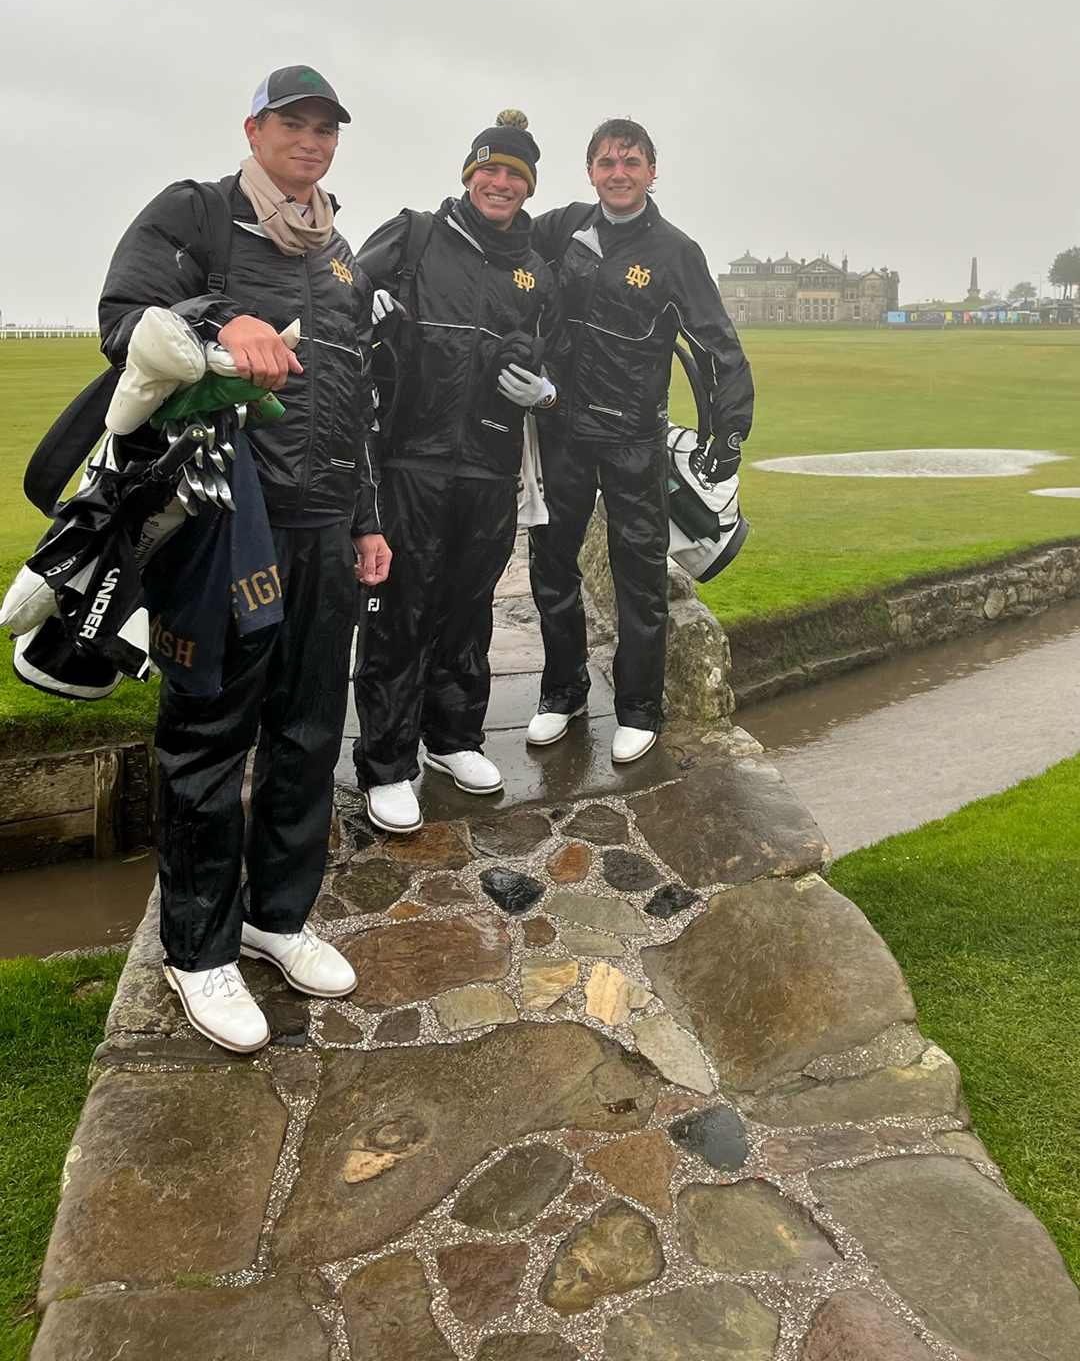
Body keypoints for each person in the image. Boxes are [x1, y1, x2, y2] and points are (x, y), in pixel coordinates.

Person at [98, 66, 391, 1052]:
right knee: (210, 739)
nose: (310, 141)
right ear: (254, 128)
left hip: (324, 531)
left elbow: (358, 404)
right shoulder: (200, 214)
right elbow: (125, 315)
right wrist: (225, 323)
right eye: (292, 124)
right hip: (224, 525)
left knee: (310, 730)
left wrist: (369, 519)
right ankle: (197, 948)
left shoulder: (341, 251)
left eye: (325, 129)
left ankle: (277, 915)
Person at [352, 110, 555, 833]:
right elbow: (335, 284)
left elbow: (547, 354)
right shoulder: (415, 235)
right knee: (400, 609)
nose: (501, 184)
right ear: (470, 174)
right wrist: (360, 301)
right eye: (490, 170)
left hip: (491, 468)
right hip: (411, 458)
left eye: (515, 176)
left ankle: (454, 738)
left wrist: (547, 388)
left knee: (469, 610)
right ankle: (386, 763)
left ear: (528, 189)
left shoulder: (535, 270)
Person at [527, 117, 753, 763]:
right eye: (606, 161)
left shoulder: (677, 252)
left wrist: (727, 434)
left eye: (631, 161)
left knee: (638, 574)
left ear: (653, 172)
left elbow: (717, 349)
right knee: (550, 564)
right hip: (562, 429)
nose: (618, 172)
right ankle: (562, 691)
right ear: (590, 171)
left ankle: (639, 707)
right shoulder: (562, 227)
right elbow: (508, 251)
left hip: (634, 438)